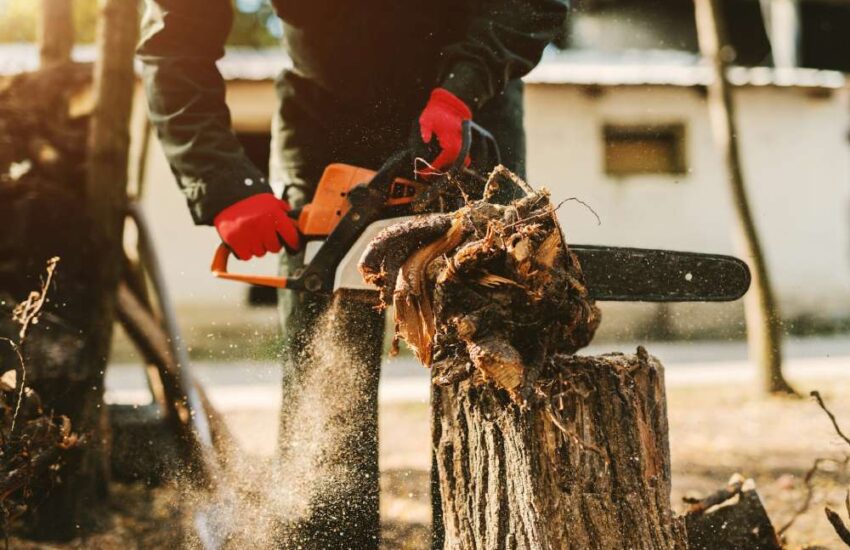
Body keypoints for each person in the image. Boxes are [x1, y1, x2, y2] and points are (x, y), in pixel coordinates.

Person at [138, 1, 567, 547]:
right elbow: (176, 41)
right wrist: (223, 185)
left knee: (487, 359)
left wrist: (463, 87)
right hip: (325, 127)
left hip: (470, 111)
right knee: (326, 362)